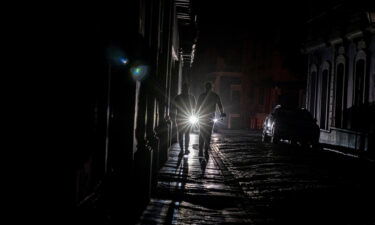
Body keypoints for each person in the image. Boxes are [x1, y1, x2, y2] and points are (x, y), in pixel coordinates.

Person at [196, 82, 225, 157]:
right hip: (209, 117)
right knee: (208, 134)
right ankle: (205, 150)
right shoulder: (215, 95)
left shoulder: (202, 96)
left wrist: (196, 114)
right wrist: (222, 113)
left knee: (202, 133)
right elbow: (220, 105)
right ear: (211, 88)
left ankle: (201, 150)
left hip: (202, 117)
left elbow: (197, 106)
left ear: (205, 87)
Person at [172, 83, 196, 156]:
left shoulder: (178, 97)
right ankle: (185, 149)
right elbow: (194, 108)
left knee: (182, 134)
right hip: (187, 117)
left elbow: (173, 107)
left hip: (180, 117)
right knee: (186, 134)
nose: (186, 89)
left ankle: (182, 149)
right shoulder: (191, 97)